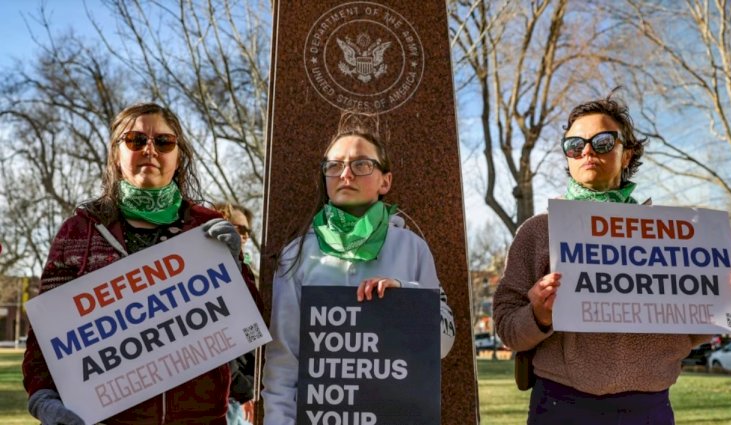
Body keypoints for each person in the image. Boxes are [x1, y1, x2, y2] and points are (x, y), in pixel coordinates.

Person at [492, 92, 731, 425]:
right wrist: (539, 315)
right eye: (574, 144)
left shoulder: (675, 234)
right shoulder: (537, 232)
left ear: (626, 155)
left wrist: (726, 301)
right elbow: (507, 327)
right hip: (560, 406)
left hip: (649, 409)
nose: (586, 150)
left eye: (601, 141)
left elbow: (691, 332)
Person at [22, 103, 260, 425]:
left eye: (163, 142)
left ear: (178, 157)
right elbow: (46, 335)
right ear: (116, 155)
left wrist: (237, 268)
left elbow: (251, 323)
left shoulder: (206, 227)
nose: (150, 149)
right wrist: (43, 397)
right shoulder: (79, 230)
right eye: (135, 140)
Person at [261, 114, 456, 424]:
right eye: (334, 165)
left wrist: (406, 300)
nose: (346, 174)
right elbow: (283, 360)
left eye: (361, 164)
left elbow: (444, 345)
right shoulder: (296, 256)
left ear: (385, 181)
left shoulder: (413, 248)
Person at [214, 202, 257, 425]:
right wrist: (245, 390)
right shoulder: (206, 277)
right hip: (221, 398)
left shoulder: (247, 277)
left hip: (240, 399)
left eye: (245, 231)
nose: (241, 236)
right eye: (234, 228)